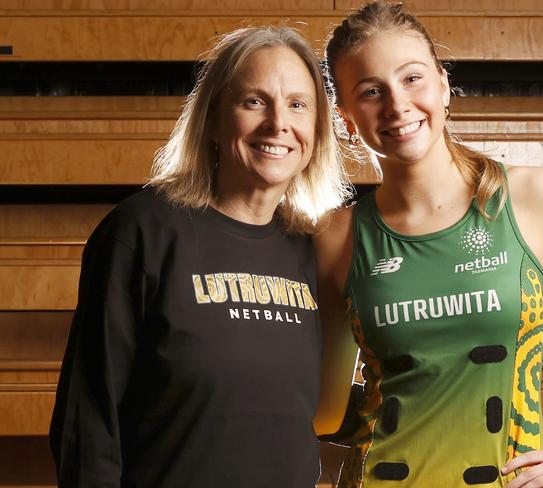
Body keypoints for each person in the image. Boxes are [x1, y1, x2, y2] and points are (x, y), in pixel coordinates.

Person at [313, 1, 543, 487]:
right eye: (370, 91)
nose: (397, 104)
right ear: (346, 119)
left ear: (443, 85)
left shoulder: (535, 198)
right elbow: (324, 412)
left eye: (412, 79)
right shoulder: (336, 237)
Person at [49, 26, 350, 488]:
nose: (278, 123)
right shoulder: (143, 232)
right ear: (212, 120)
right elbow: (87, 425)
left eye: (297, 104)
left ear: (316, 129)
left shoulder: (310, 247)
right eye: (253, 101)